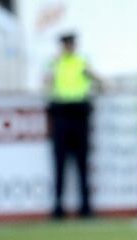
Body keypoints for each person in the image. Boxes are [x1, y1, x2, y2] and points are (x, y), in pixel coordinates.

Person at [45, 33, 100, 218]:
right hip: (61, 114)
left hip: (79, 115)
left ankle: (85, 206)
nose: (68, 47)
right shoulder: (55, 63)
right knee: (59, 164)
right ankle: (58, 207)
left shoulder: (81, 61)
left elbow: (97, 81)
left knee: (82, 164)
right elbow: (47, 84)